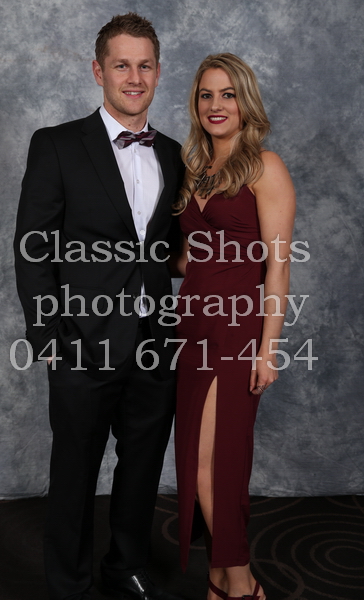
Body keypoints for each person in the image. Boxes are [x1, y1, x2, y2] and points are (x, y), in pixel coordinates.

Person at [13, 13, 184, 600]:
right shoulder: (57, 144)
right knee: (75, 473)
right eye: (121, 65)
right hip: (79, 344)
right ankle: (70, 584)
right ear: (98, 71)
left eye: (144, 65)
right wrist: (48, 338)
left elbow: (167, 252)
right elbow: (33, 248)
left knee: (142, 468)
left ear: (158, 72)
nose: (134, 77)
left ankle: (125, 566)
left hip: (155, 342)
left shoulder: (174, 154)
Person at [173, 53, 296, 600]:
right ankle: (220, 577)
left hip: (237, 329)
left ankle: (241, 582)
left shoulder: (265, 167)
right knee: (194, 461)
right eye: (206, 95)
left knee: (218, 463)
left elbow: (279, 267)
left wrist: (268, 350)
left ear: (245, 102)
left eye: (227, 94)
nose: (216, 105)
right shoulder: (195, 170)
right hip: (192, 327)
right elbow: (190, 259)